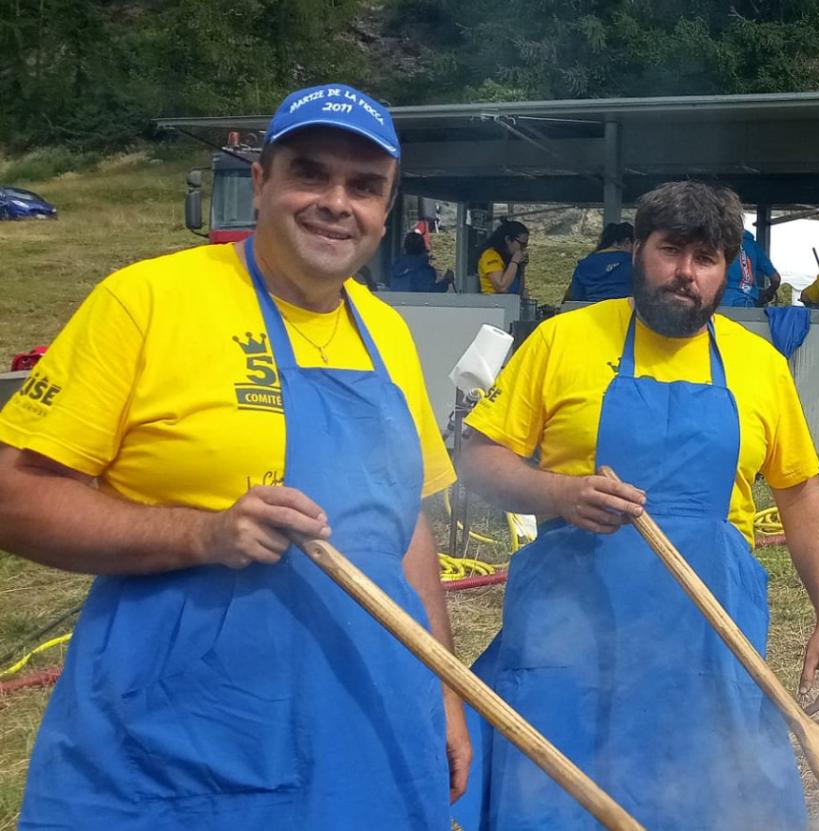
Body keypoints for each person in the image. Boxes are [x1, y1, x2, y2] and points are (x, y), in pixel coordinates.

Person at [0, 83, 467, 830]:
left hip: (364, 730)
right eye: (310, 173)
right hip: (180, 738)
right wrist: (200, 534)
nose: (335, 201)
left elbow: (403, 524)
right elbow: (13, 495)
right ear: (261, 182)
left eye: (364, 186)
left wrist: (444, 688)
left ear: (387, 210)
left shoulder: (389, 334)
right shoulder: (146, 301)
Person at [454, 181, 819, 831]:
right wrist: (557, 492)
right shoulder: (562, 341)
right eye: (670, 251)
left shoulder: (760, 366)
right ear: (638, 250)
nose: (685, 273)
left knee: (707, 796)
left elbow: (802, 491)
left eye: (706, 258)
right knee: (555, 799)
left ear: (729, 269)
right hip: (570, 633)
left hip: (708, 638)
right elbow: (478, 458)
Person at [565, 221, 634, 302]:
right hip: (624, 311)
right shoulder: (633, 262)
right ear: (627, 242)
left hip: (592, 311)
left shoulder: (584, 264)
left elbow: (576, 297)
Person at [720, 228, 781, 308]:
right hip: (748, 302)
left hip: (723, 301)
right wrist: (769, 293)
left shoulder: (718, 243)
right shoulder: (753, 245)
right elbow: (776, 279)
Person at [477, 220, 529, 298]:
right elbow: (501, 287)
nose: (523, 248)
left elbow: (518, 292)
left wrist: (521, 268)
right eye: (522, 244)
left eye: (526, 245)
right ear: (508, 240)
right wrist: (514, 262)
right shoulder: (490, 255)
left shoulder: (509, 259)